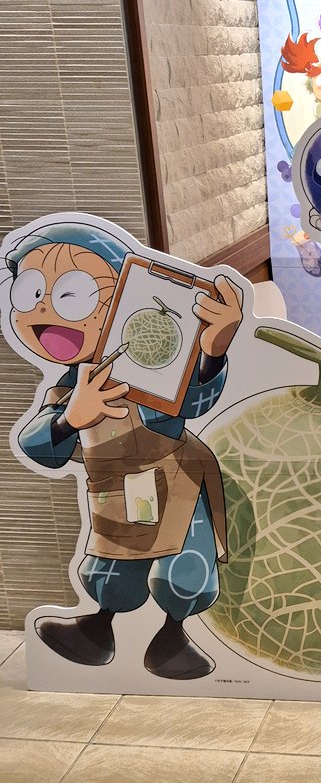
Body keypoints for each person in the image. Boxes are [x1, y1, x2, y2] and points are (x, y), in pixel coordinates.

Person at [6, 223, 243, 678]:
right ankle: (97, 631)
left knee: (182, 569)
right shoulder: (73, 384)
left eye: (73, 296)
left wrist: (213, 352)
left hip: (175, 482)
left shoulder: (154, 371)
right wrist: (70, 419)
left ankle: (172, 638)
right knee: (111, 570)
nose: (43, 310)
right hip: (115, 490)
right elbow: (39, 447)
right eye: (30, 293)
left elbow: (194, 402)